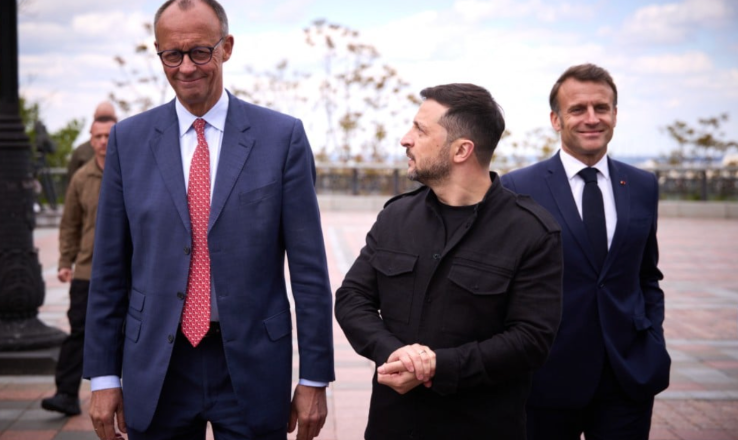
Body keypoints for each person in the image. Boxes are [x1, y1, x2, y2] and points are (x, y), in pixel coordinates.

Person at [82, 1, 335, 439]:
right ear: (158, 52)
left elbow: (309, 272)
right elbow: (109, 269)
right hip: (157, 366)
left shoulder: (282, 138)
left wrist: (314, 378)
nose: (186, 67)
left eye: (200, 52)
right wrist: (103, 376)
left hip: (253, 365)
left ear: (226, 47)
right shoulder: (129, 140)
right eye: (172, 55)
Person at [335, 83, 564, 440]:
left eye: (420, 130)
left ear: (461, 150)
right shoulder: (396, 217)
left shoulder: (531, 231)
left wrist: (437, 367)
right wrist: (395, 353)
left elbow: (531, 340)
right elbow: (352, 298)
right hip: (393, 426)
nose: (405, 139)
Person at [501, 63, 670, 440]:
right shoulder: (518, 188)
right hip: (545, 378)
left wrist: (653, 340)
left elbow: (647, 275)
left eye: (601, 108)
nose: (592, 118)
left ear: (615, 115)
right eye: (578, 109)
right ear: (556, 119)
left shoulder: (643, 185)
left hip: (627, 377)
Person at [41, 117, 115, 416]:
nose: (103, 141)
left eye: (108, 135)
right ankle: (66, 394)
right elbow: (69, 224)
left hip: (128, 273)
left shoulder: (130, 170)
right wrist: (64, 262)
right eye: (98, 136)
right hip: (87, 271)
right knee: (79, 332)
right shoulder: (81, 178)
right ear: (91, 140)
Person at [66, 102, 117, 179]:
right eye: (100, 119)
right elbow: (72, 181)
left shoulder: (125, 151)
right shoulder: (80, 153)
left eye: (108, 119)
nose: (103, 141)